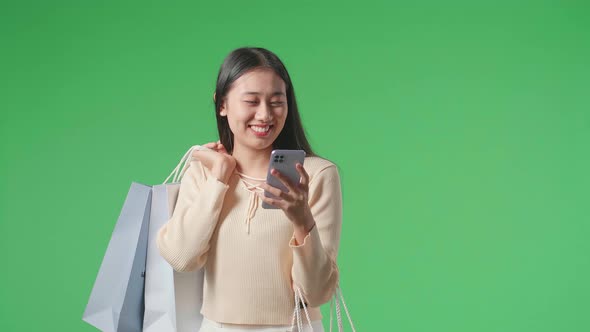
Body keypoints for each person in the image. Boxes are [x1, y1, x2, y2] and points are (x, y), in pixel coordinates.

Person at [156, 47, 343, 332]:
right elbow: (182, 257)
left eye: (277, 101)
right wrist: (219, 178)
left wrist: (301, 219)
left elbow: (316, 293)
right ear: (222, 104)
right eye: (251, 101)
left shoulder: (316, 175)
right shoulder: (204, 172)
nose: (265, 114)